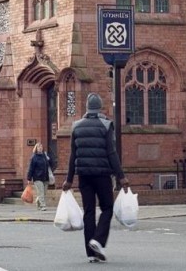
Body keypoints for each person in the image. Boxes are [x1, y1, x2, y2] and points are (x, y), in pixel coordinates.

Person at [61, 93, 131, 264]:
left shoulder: (76, 126)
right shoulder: (106, 125)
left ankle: (90, 253)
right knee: (107, 208)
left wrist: (69, 179)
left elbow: (73, 155)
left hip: (84, 176)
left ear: (87, 107)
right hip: (102, 174)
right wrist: (121, 176)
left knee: (89, 212)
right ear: (100, 107)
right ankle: (98, 241)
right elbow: (111, 153)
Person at [26, 142, 54, 211]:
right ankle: (43, 206)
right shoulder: (34, 157)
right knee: (41, 192)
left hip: (45, 177)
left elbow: (51, 165)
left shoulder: (45, 156)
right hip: (37, 178)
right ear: (36, 149)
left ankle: (38, 202)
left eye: (41, 147)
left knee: (43, 193)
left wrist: (49, 159)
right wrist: (29, 178)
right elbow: (31, 168)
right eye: (38, 147)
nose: (40, 148)